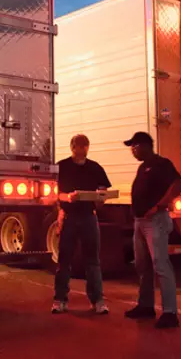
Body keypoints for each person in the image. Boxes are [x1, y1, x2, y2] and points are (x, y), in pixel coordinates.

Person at [123, 132, 181, 329]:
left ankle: (170, 312)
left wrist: (160, 206)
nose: (132, 150)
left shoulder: (161, 164)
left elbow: (177, 184)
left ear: (146, 146)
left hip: (155, 221)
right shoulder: (143, 167)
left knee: (161, 265)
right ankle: (146, 305)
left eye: (135, 146)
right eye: (131, 147)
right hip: (140, 222)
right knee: (142, 265)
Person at [52, 134, 112, 315]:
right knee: (64, 260)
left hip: (88, 216)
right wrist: (67, 198)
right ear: (72, 147)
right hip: (69, 216)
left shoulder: (95, 167)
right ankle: (60, 299)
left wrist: (101, 197)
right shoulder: (61, 167)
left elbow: (103, 191)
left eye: (85, 146)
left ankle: (97, 300)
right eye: (78, 146)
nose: (81, 150)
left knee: (92, 260)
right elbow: (55, 194)